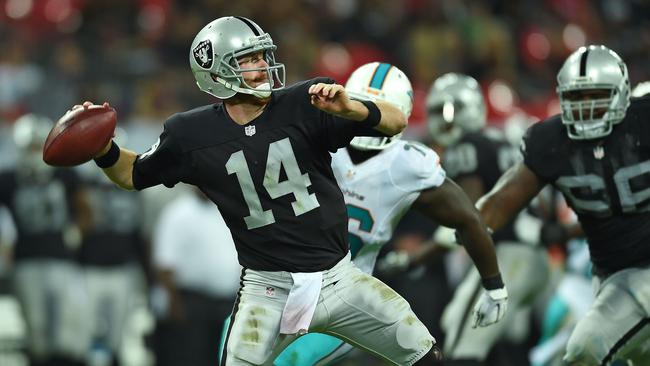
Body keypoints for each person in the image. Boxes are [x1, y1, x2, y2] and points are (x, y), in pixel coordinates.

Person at [76, 16, 479, 365]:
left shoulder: (307, 102)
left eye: (262, 55)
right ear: (215, 73)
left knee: (424, 354)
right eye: (248, 60)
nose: (262, 66)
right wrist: (102, 149)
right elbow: (132, 174)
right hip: (266, 290)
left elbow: (394, 122)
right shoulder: (189, 134)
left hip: (339, 278)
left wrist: (352, 108)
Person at [266, 62, 507, 365]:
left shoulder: (407, 164)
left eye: (375, 109)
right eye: (360, 105)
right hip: (274, 286)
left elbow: (469, 219)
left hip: (341, 298)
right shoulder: (312, 140)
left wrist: (493, 284)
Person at [476, 44, 650, 365]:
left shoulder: (643, 121)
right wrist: (463, 225)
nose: (585, 107)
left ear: (623, 94)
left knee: (588, 348)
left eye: (596, 95)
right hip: (613, 277)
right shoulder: (552, 143)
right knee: (588, 352)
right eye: (576, 97)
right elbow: (493, 208)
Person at [382, 73, 549, 365]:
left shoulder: (466, 146)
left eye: (451, 111)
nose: (445, 121)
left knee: (461, 343)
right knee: (507, 346)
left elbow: (467, 219)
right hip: (534, 258)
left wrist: (414, 259)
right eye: (438, 113)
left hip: (508, 257)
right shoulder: (503, 141)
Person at [0, 114, 91, 366]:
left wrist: (76, 232)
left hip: (61, 259)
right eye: (28, 147)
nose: (32, 152)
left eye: (36, 145)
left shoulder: (65, 175)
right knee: (36, 329)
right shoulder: (8, 179)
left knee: (66, 329)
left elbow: (85, 208)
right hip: (26, 260)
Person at [152, 187, 240, 366]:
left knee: (223, 359)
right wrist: (174, 303)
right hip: (192, 303)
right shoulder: (178, 212)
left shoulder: (227, 210)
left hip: (227, 303)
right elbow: (164, 263)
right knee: (192, 358)